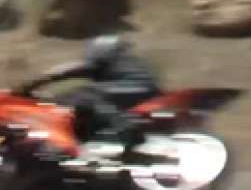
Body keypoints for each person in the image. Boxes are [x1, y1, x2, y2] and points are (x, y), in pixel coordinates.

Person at [15, 34, 161, 149]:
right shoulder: (126, 63)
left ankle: (127, 129)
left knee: (88, 95)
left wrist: (31, 85)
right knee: (86, 101)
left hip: (136, 87)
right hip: (143, 92)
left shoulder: (112, 63)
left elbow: (65, 71)